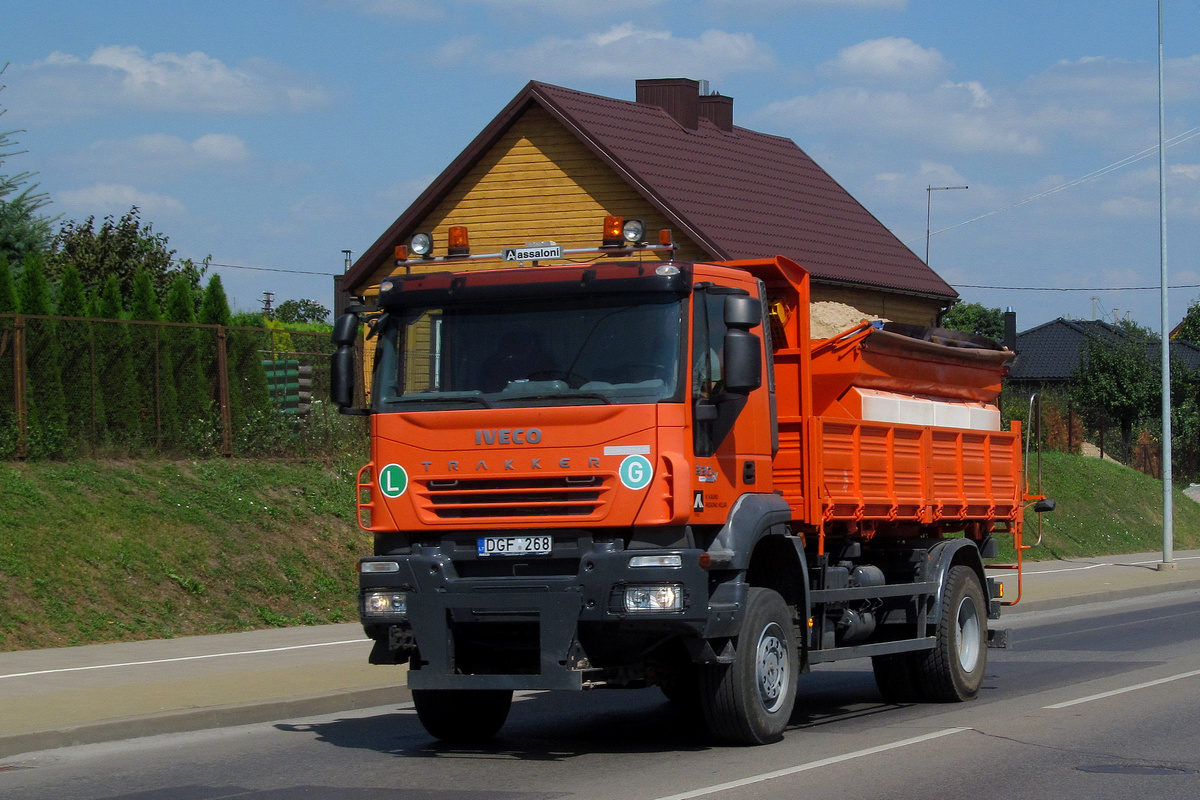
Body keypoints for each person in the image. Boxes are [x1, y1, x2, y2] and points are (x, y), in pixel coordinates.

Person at [480, 329, 555, 391]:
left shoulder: (544, 363)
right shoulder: (493, 365)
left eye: (523, 343)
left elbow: (553, 389)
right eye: (513, 343)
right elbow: (488, 391)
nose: (518, 346)